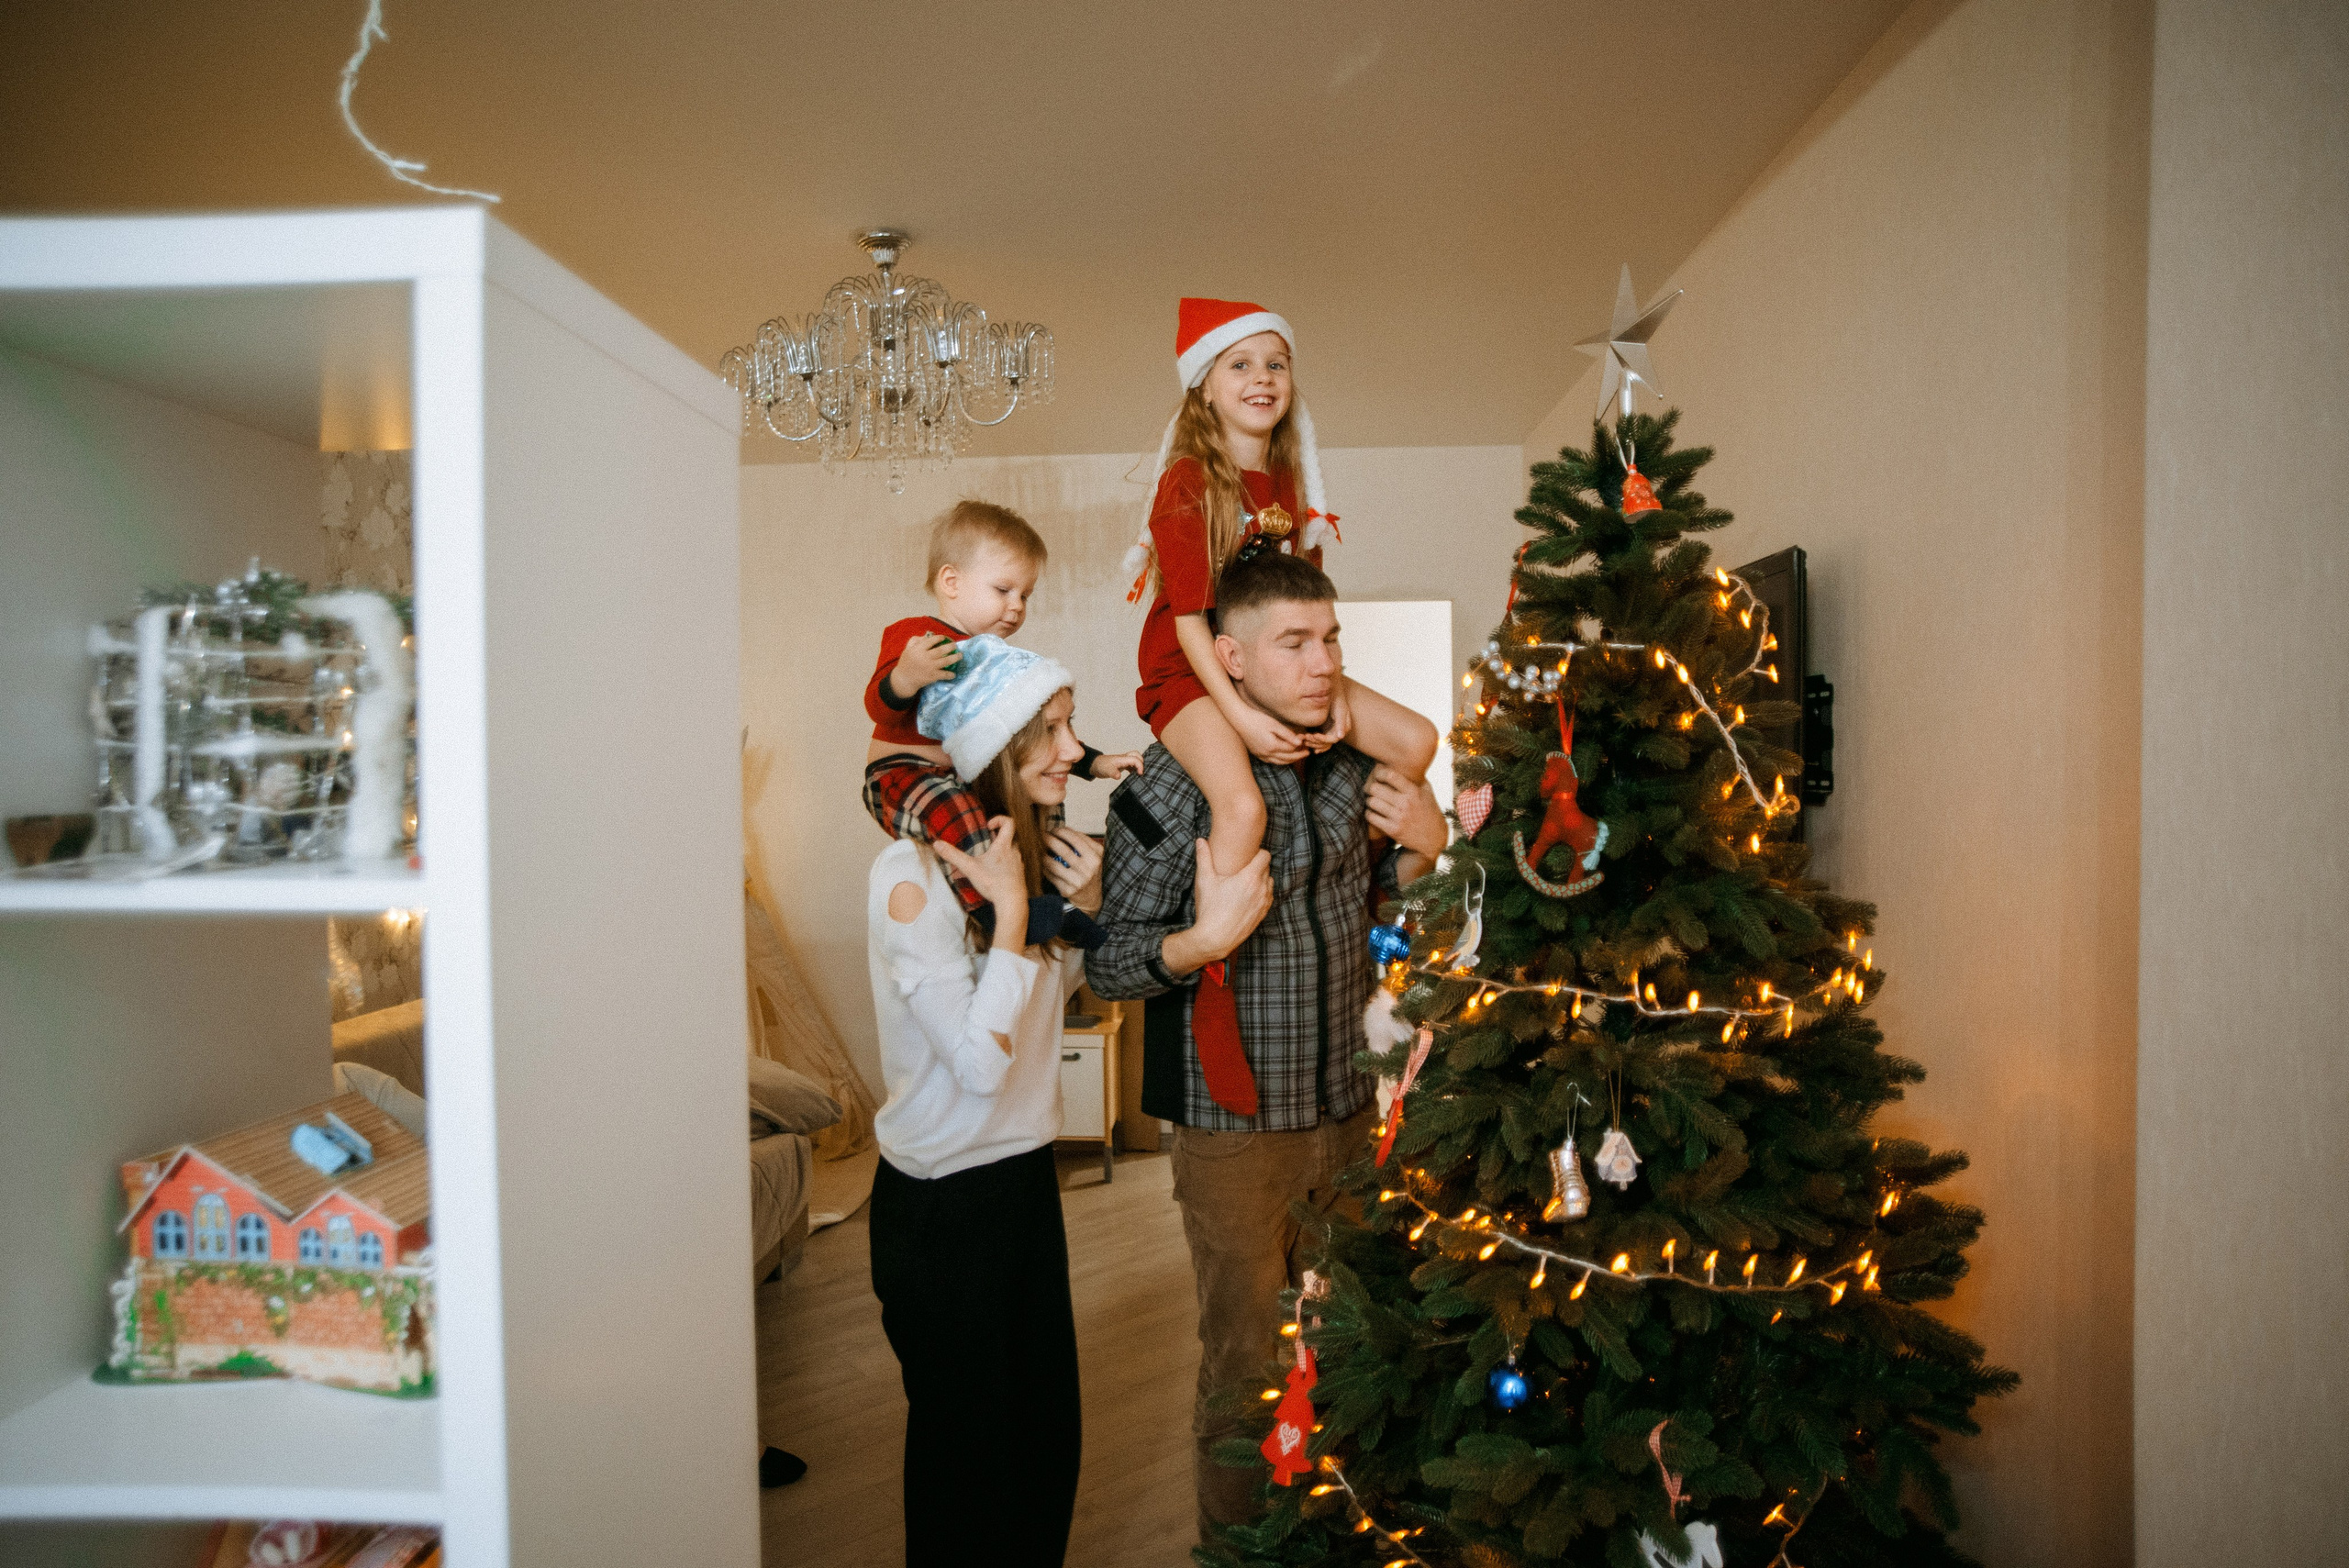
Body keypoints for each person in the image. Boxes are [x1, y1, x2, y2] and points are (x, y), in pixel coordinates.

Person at [1085, 547, 1451, 1542]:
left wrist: (1430, 837)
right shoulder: (1169, 786)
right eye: (1294, 642)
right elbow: (1106, 964)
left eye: (1330, 637)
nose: (1323, 661)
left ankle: (1336, 1539)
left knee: (1354, 1345)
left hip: (1349, 1114)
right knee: (1247, 1368)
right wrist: (1200, 939)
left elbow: (1388, 918)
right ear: (1231, 658)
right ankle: (1241, 1552)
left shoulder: (1353, 768)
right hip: (1231, 1134)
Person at [1122, 298, 1437, 1085]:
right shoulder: (1188, 479)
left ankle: (1365, 893)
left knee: (1416, 739)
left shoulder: (1289, 475)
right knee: (1243, 807)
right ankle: (1218, 974)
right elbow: (1192, 618)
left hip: (1260, 661)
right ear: (1203, 385)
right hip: (1188, 669)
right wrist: (1240, 717)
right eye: (1240, 364)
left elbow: (1296, 598)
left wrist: (1321, 686)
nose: (1263, 378)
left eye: (1276, 363)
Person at [865, 635, 1103, 1566]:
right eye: (1047, 729)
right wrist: (1011, 913)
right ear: (990, 749)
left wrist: (1071, 918)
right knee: (968, 1466)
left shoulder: (1036, 856)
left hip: (1020, 1185)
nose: (1069, 748)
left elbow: (1048, 1006)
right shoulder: (910, 879)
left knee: (1047, 1442)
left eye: (1068, 724)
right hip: (939, 1209)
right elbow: (975, 1062)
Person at [864, 498, 1141, 949]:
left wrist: (1095, 763)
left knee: (1036, 805)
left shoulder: (993, 660)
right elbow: (879, 708)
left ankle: (1058, 895)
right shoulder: (917, 636)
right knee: (958, 816)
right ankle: (997, 912)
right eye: (1003, 590)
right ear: (950, 582)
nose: (1016, 607)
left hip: (957, 774)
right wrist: (905, 677)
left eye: (1025, 596)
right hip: (904, 774)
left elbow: (1027, 739)